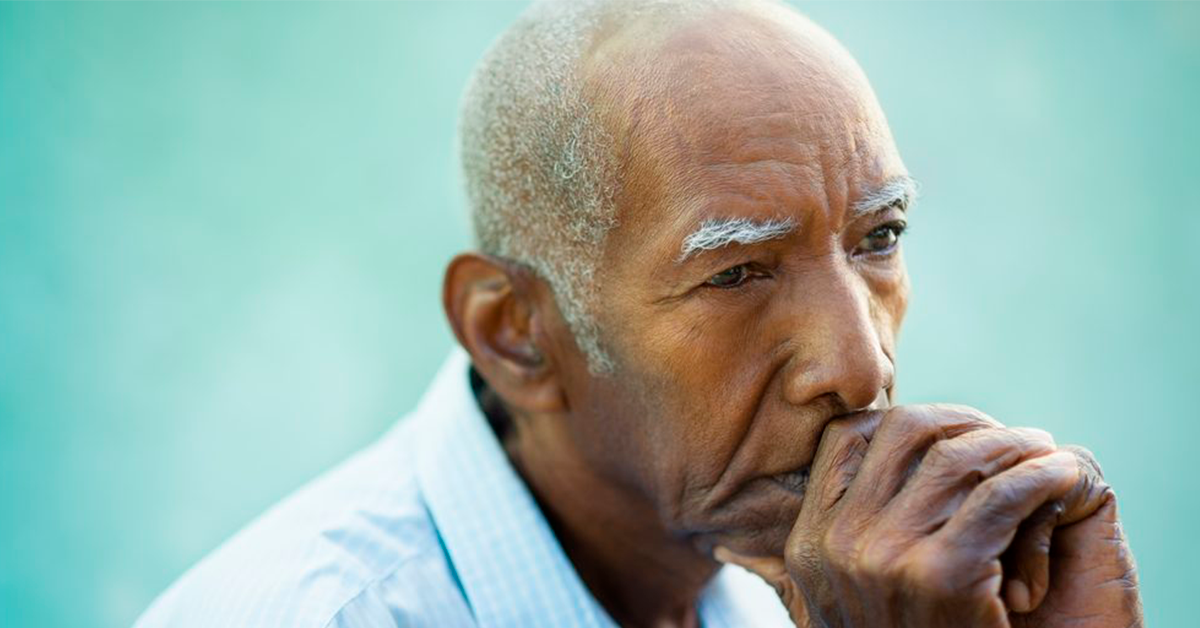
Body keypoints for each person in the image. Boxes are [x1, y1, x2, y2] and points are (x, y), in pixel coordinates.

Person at [135, 0, 1143, 626]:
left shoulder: (813, 580)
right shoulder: (319, 615)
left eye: (877, 238)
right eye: (739, 272)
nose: (860, 365)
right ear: (513, 332)